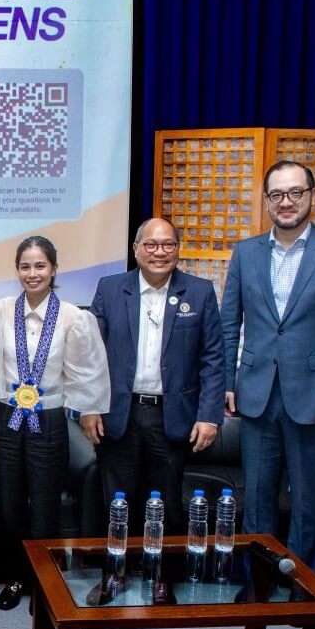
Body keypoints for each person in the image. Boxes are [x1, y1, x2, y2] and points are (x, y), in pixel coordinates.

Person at [221, 161, 315, 571]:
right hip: (256, 393)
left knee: (307, 500)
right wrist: (227, 382)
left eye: (295, 193)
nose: (286, 202)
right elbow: (229, 323)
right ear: (266, 201)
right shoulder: (246, 252)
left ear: (312, 196)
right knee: (257, 498)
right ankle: (257, 584)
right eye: (277, 194)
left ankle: (304, 589)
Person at [0, 236, 109, 611]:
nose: (32, 273)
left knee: (44, 507)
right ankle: (15, 576)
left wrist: (89, 412)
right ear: (17, 271)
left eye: (40, 266)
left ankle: (43, 582)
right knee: (11, 506)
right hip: (7, 418)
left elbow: (86, 373)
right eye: (25, 266)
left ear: (54, 269)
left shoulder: (74, 317)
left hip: (49, 420)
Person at [87, 218, 224, 537]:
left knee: (165, 507)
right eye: (150, 244)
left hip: (172, 417)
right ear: (136, 250)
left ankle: (160, 580)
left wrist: (209, 416)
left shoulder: (200, 293)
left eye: (168, 245)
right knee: (117, 507)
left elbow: (214, 359)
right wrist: (88, 408)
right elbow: (89, 355)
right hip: (119, 415)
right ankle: (115, 578)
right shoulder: (110, 288)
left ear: (177, 250)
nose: (159, 252)